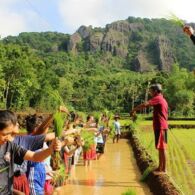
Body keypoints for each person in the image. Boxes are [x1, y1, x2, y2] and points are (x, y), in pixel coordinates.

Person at [0, 110, 61, 195]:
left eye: (10, 134)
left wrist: (51, 149)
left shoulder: (10, 145)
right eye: (4, 134)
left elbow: (34, 156)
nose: (8, 138)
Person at [130, 84, 168, 173]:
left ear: (155, 91)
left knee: (162, 148)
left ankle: (164, 169)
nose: (150, 93)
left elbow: (145, 104)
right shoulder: (162, 99)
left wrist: (134, 110)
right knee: (160, 148)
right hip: (161, 126)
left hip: (161, 126)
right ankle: (160, 167)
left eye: (151, 91)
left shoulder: (158, 98)